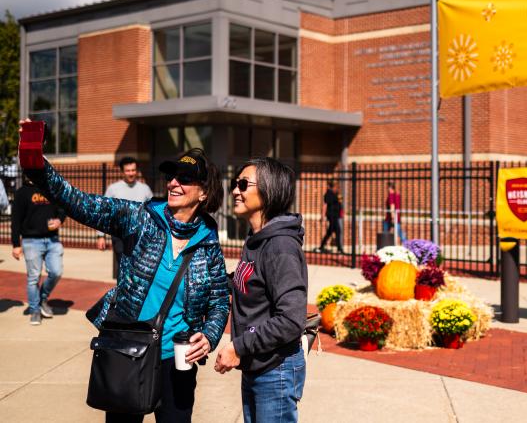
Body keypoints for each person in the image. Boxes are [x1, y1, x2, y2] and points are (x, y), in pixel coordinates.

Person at [20, 133, 229, 422]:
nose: (173, 183)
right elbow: (80, 203)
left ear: (204, 192)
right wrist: (36, 165)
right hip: (127, 353)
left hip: (176, 362)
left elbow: (219, 302)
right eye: (172, 176)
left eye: (185, 178)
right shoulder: (140, 218)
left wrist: (209, 335)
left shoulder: (209, 244)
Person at [214, 157, 308, 423]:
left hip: (275, 371)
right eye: (235, 184)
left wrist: (239, 347)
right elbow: (251, 282)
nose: (235, 191)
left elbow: (291, 320)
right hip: (258, 365)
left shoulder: (280, 247)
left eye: (243, 184)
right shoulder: (256, 240)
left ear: (269, 190)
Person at [11, 175, 66, 325]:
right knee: (33, 278)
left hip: (53, 240)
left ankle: (42, 298)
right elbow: (15, 220)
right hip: (31, 241)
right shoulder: (22, 192)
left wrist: (59, 220)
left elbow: (63, 208)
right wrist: (16, 244)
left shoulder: (51, 189)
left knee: (56, 272)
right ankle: (35, 310)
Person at [96, 156, 154, 278]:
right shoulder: (113, 189)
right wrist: (100, 236)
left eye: (133, 170)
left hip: (140, 235)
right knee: (122, 267)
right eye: (128, 170)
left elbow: (153, 212)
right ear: (122, 172)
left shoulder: (145, 189)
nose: (131, 173)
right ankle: (121, 294)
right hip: (120, 234)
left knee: (140, 268)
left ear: (137, 171)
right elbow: (104, 212)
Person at [318, 180, 344, 254]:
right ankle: (339, 249)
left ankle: (321, 246)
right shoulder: (328, 194)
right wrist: (322, 216)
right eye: (336, 186)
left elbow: (339, 203)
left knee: (330, 232)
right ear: (332, 186)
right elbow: (325, 205)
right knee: (337, 231)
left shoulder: (336, 194)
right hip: (331, 215)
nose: (337, 188)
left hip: (336, 215)